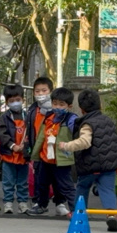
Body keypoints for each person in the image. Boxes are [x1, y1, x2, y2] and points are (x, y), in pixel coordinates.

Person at [58, 89, 117, 232]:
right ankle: (112, 215)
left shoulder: (87, 124)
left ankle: (79, 215)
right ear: (100, 105)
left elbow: (84, 142)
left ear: (81, 109)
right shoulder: (108, 121)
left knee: (82, 188)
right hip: (109, 166)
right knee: (108, 190)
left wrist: (66, 146)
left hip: (90, 166)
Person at [28, 87, 77, 217]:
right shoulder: (49, 117)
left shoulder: (71, 119)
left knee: (66, 186)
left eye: (61, 104)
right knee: (42, 183)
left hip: (61, 159)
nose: (57, 107)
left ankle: (76, 210)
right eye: (55, 103)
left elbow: (76, 132)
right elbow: (41, 136)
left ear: (69, 106)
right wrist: (36, 153)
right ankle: (41, 205)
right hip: (45, 157)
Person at [0, 83, 31, 214]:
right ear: (6, 102)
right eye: (11, 101)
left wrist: (25, 146)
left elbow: (31, 134)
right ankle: (8, 203)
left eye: (18, 100)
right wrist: (12, 145)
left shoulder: (27, 116)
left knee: (23, 182)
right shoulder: (4, 117)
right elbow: (1, 134)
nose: (15, 103)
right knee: (8, 181)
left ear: (23, 100)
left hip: (23, 156)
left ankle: (23, 203)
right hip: (9, 155)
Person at [25, 76, 54, 207]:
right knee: (39, 177)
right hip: (37, 149)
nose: (41, 94)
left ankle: (60, 203)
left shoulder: (56, 109)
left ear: (50, 91)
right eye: (37, 91)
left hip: (52, 149)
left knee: (57, 178)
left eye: (44, 90)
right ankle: (39, 202)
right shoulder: (32, 110)